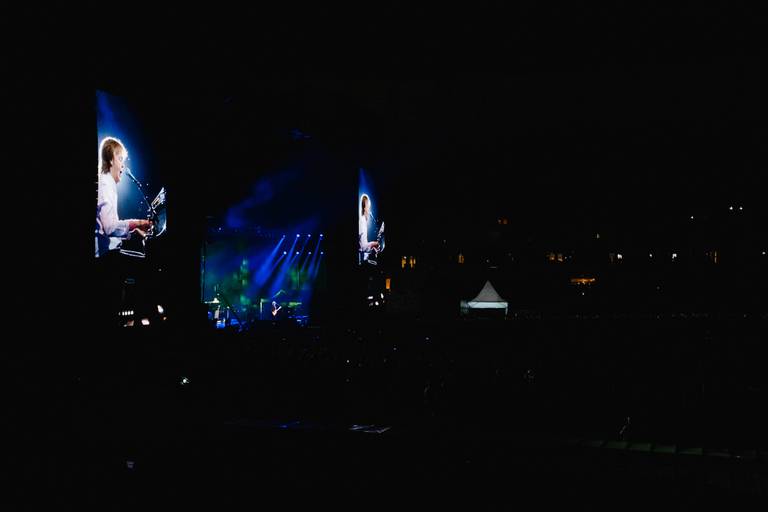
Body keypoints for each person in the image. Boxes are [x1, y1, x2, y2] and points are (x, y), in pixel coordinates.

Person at [95, 137, 152, 258]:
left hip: (107, 251)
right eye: (120, 159)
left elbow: (107, 229)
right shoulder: (105, 184)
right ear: (111, 160)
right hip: (104, 256)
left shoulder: (105, 182)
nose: (123, 166)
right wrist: (138, 223)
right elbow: (110, 228)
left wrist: (131, 231)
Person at [358, 194, 379, 263]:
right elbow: (363, 247)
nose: (369, 211)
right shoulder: (362, 221)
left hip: (364, 258)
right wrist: (373, 244)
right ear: (364, 207)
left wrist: (371, 248)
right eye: (368, 207)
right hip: (362, 260)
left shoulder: (363, 220)